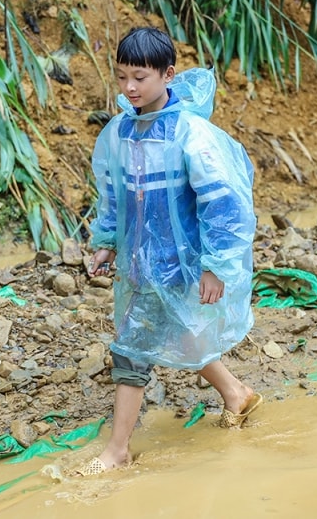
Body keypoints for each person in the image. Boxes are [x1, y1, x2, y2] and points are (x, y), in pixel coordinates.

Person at [78, 26, 262, 476]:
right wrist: (105, 243)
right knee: (180, 332)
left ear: (168, 75)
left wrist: (216, 266)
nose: (129, 88)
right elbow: (113, 196)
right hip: (141, 260)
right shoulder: (121, 132)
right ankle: (237, 393)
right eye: (121, 77)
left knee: (132, 346)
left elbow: (224, 203)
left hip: (183, 261)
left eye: (140, 77)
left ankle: (118, 450)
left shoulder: (191, 134)